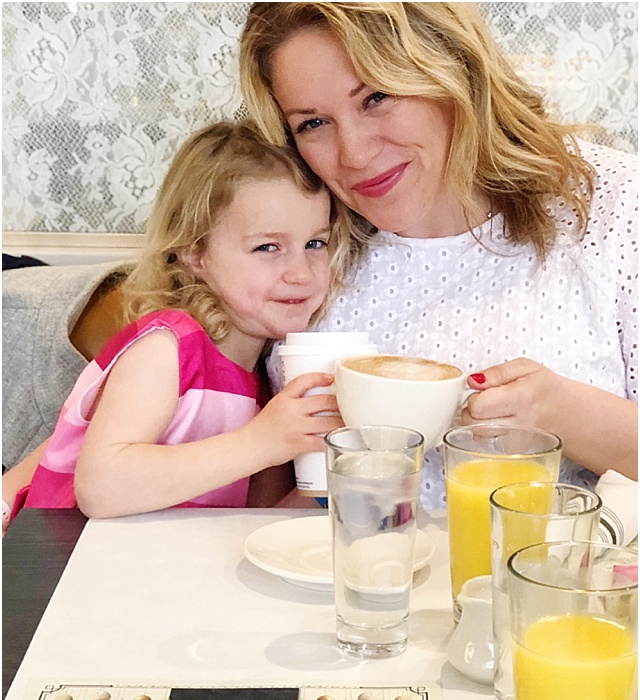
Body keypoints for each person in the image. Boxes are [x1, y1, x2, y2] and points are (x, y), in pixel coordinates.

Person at [239, 1, 638, 510]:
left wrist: (569, 416)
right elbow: (255, 490)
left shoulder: (614, 203)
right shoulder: (297, 248)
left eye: (377, 97)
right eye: (314, 123)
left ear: (454, 73)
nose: (354, 154)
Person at [5, 118, 354, 527]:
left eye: (315, 243)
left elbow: (259, 521)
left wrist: (343, 475)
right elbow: (100, 487)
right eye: (267, 247)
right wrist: (260, 442)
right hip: (64, 555)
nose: (301, 272)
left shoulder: (263, 380)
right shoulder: (166, 347)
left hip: (155, 561)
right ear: (195, 252)